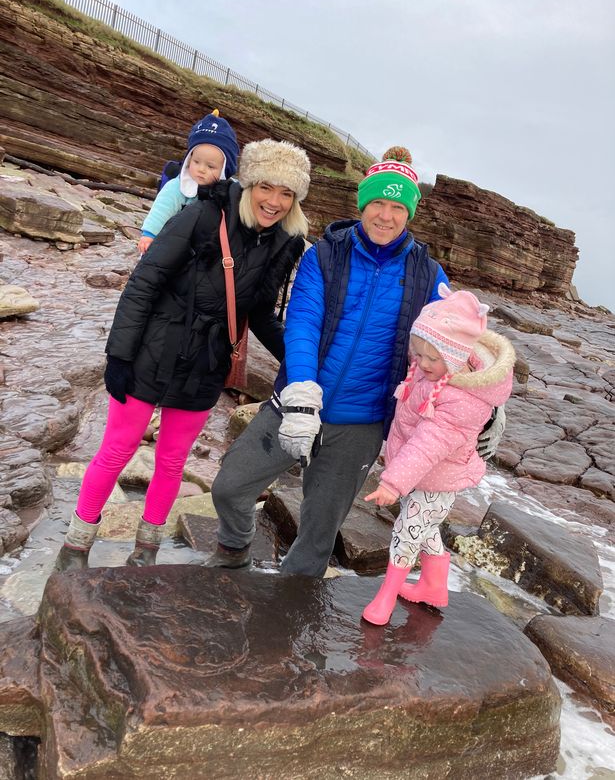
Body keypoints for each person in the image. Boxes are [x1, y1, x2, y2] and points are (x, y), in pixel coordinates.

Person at [54, 138, 310, 571]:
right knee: (117, 450)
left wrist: (303, 364)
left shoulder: (284, 243)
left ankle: (146, 551)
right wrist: (118, 356)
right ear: (249, 184)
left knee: (172, 461)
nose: (276, 201)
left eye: (288, 193)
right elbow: (145, 281)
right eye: (268, 187)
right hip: (154, 348)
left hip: (206, 362)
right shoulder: (204, 214)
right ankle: (76, 546)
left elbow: (261, 313)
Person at [207, 147, 451, 576]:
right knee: (230, 487)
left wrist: (489, 398)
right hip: (298, 404)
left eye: (397, 207)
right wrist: (301, 393)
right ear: (362, 204)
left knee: (318, 537)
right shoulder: (324, 254)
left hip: (361, 424)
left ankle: (283, 620)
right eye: (378, 202)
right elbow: (302, 323)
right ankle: (234, 549)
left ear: (409, 214)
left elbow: (456, 343)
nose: (385, 215)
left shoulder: (429, 275)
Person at [361, 285, 515, 625]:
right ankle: (433, 585)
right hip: (420, 474)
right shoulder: (432, 370)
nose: (422, 363)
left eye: (433, 358)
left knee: (408, 529)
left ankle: (385, 596)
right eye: (418, 354)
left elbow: (429, 442)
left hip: (437, 478)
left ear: (457, 356)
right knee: (425, 526)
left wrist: (392, 481)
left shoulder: (465, 399)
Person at [137, 110, 239, 254]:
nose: (201, 169)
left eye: (210, 166)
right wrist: (149, 235)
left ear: (224, 170)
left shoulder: (231, 191)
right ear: (189, 159)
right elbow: (161, 209)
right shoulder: (178, 187)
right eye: (196, 162)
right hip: (174, 242)